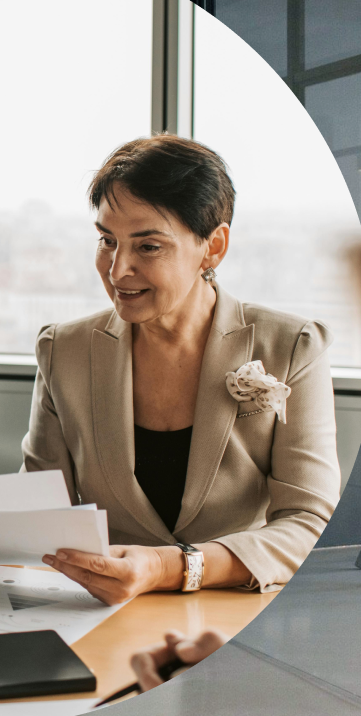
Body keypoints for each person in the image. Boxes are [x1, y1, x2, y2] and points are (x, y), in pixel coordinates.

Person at [22, 134, 340, 602]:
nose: (117, 270)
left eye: (148, 246)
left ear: (213, 247)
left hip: (235, 609)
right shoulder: (61, 350)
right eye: (107, 241)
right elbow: (41, 513)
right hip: (97, 608)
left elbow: (309, 523)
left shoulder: (291, 346)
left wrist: (171, 568)